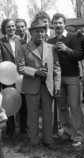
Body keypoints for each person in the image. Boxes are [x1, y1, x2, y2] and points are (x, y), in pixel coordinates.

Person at [17, 19, 61, 149]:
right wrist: (35, 72)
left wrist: (57, 85)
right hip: (31, 87)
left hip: (48, 86)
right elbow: (20, 67)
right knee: (33, 114)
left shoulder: (51, 48)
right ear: (31, 32)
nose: (40, 34)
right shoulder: (24, 48)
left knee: (48, 114)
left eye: (42, 31)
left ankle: (48, 140)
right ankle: (34, 141)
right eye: (37, 31)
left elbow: (57, 68)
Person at [47, 13, 84, 147]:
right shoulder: (50, 41)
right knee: (62, 107)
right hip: (57, 79)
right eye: (55, 23)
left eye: (60, 23)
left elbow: (80, 55)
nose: (58, 25)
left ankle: (79, 136)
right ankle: (67, 132)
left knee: (75, 106)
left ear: (65, 24)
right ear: (52, 24)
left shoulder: (72, 37)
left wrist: (66, 49)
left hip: (72, 76)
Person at [0, 19, 27, 136]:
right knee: (9, 101)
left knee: (23, 102)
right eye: (8, 27)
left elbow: (25, 57)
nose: (12, 28)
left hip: (20, 76)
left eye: (13, 26)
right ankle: (10, 129)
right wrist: (6, 71)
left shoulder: (22, 41)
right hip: (7, 77)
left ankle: (23, 128)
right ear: (4, 29)